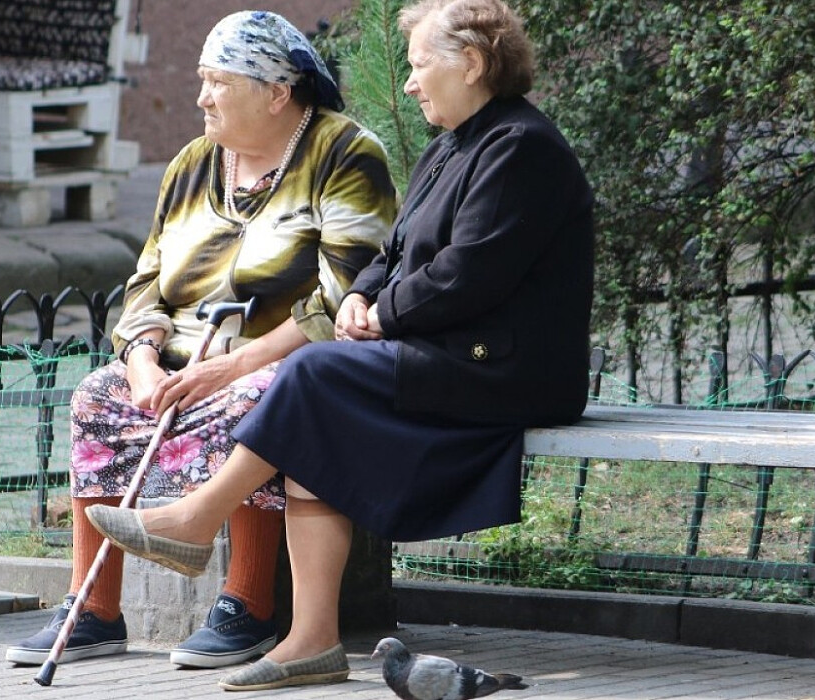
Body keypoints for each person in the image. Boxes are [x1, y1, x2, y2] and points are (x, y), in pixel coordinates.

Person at [82, 0, 594, 690]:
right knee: (318, 400)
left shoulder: (521, 147)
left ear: (472, 64)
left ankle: (198, 519)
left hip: (506, 370)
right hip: (454, 354)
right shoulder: (453, 144)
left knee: (313, 370)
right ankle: (312, 640)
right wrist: (361, 296)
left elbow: (469, 274)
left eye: (419, 66)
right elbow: (392, 253)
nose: (409, 83)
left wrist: (378, 315)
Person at [3, 10, 398, 669]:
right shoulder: (193, 163)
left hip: (284, 357)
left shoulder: (344, 153)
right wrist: (142, 363)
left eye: (219, 82)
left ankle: (248, 604)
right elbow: (146, 282)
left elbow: (344, 295)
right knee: (97, 396)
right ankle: (93, 608)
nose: (201, 98)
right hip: (182, 359)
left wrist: (232, 366)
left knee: (258, 398)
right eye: (201, 80)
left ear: (277, 93)